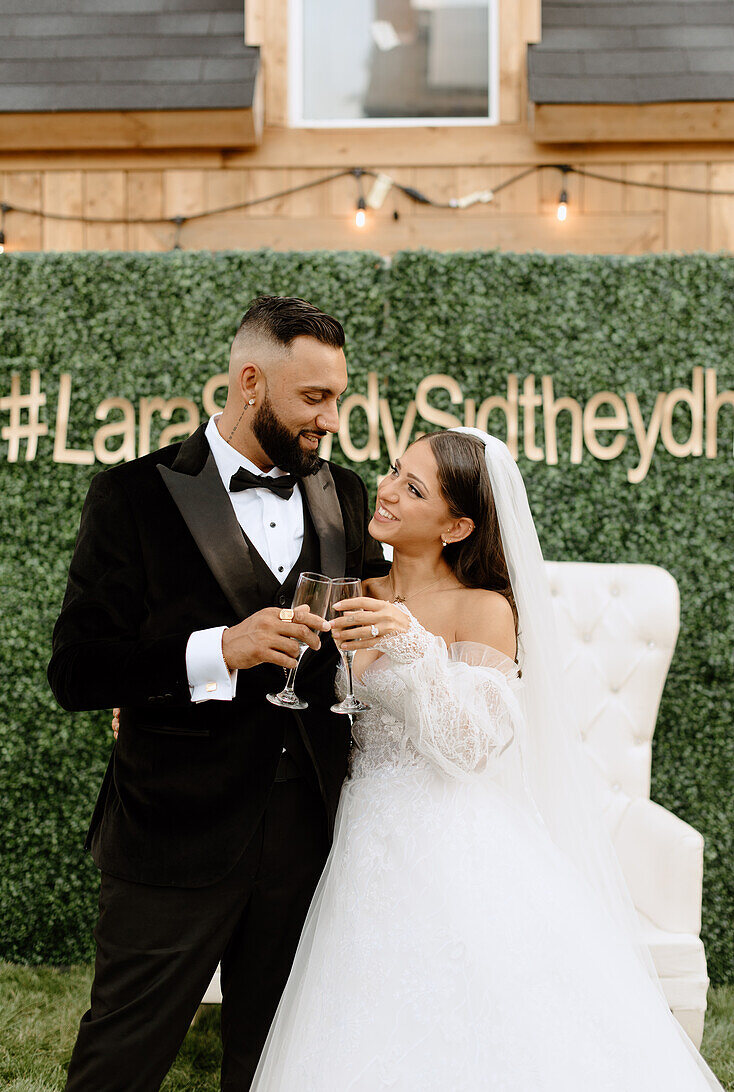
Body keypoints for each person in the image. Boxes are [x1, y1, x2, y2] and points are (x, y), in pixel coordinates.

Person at [249, 428, 723, 1090]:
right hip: (358, 823)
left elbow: (469, 748)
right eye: (392, 470)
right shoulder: (351, 585)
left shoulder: (485, 609)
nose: (384, 490)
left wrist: (413, 644)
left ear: (457, 525)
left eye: (412, 489)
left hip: (448, 832)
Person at [47, 295, 388, 1091]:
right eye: (314, 398)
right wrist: (218, 651)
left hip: (308, 828)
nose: (331, 418)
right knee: (122, 1056)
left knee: (275, 1060)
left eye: (337, 396)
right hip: (172, 828)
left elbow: (366, 638)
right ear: (250, 383)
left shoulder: (346, 492)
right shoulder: (131, 495)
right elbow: (79, 671)